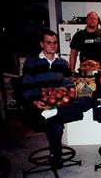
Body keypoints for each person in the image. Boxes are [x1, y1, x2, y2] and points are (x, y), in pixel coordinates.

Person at [21, 29, 93, 168]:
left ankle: (54, 113)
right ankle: (56, 154)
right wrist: (35, 101)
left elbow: (67, 80)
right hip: (42, 101)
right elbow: (26, 85)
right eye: (49, 43)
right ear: (42, 44)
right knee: (56, 123)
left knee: (88, 99)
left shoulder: (62, 63)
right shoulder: (32, 62)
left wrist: (71, 87)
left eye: (55, 43)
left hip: (60, 102)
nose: (53, 46)